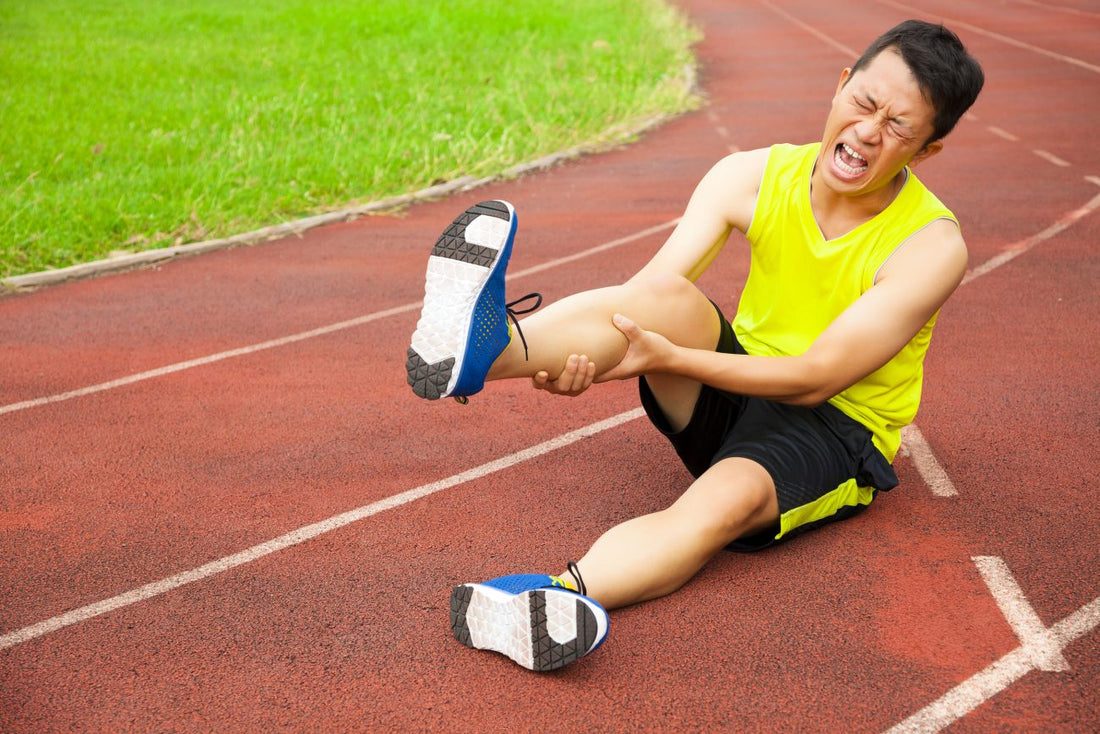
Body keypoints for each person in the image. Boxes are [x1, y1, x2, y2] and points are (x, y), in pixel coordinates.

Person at [406, 20, 984, 672]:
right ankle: (487, 351)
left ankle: (552, 597)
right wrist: (581, 359)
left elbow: (817, 377)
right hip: (734, 377)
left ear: (927, 150)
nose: (869, 131)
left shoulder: (931, 248)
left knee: (723, 504)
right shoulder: (750, 175)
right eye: (864, 102)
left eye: (900, 127)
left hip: (832, 430)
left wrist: (668, 360)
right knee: (666, 296)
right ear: (841, 85)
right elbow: (647, 293)